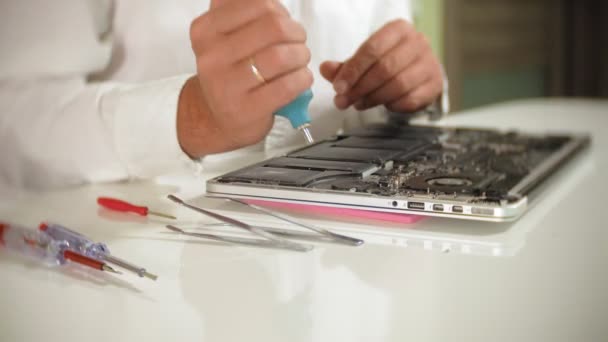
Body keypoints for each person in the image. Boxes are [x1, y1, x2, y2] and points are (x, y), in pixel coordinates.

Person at [0, 0, 445, 189]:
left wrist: (412, 96)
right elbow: (16, 117)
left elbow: (389, 66)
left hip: (354, 283)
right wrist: (193, 119)